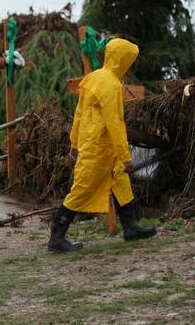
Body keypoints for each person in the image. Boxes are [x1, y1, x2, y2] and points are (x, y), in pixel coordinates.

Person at [48, 38, 156, 253]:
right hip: (99, 148)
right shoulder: (110, 84)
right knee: (82, 190)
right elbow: (113, 121)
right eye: (129, 60)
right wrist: (125, 156)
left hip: (100, 147)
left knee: (121, 184)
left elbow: (78, 114)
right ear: (121, 59)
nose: (130, 64)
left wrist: (74, 143)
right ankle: (56, 238)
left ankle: (131, 227)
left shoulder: (94, 78)